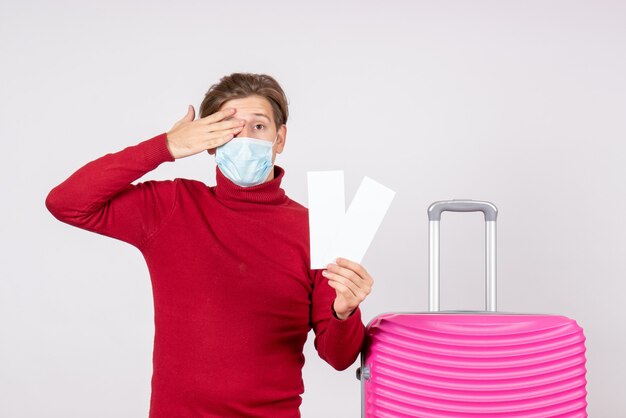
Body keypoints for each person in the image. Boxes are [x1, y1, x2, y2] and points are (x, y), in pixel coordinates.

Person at [45, 72, 374, 417]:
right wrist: (166, 146)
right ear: (210, 141)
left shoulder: (321, 227)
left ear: (280, 138)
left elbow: (339, 358)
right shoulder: (172, 206)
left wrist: (344, 311)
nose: (244, 137)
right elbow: (66, 203)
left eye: (258, 127)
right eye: (229, 126)